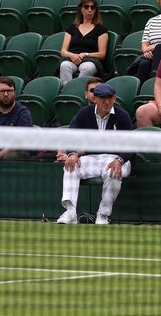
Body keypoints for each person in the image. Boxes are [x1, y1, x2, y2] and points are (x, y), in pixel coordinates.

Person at [56, 83, 133, 225]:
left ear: (114, 98)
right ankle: (70, 212)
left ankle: (103, 215)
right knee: (70, 166)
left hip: (117, 159)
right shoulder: (84, 113)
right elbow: (72, 135)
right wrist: (72, 153)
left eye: (110, 98)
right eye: (103, 98)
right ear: (95, 98)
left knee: (113, 172)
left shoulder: (123, 116)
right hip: (92, 159)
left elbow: (131, 145)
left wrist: (119, 159)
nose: (107, 101)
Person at [59, 0, 109, 85]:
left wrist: (86, 54)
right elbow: (63, 51)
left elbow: (102, 54)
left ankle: (78, 91)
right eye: (86, 7)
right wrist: (71, 55)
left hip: (90, 60)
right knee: (64, 65)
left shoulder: (101, 29)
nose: (89, 10)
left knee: (87, 67)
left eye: (92, 7)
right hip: (72, 59)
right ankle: (66, 91)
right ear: (81, 9)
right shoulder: (72, 28)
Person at [0, 76, 33, 161]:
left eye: (9, 91)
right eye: (1, 91)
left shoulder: (23, 112)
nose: (6, 94)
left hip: (17, 151)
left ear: (14, 92)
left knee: (9, 157)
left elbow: (20, 140)